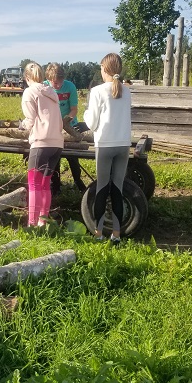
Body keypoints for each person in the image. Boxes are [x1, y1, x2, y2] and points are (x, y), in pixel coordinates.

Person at [83, 53, 131, 243]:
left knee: (102, 188)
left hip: (105, 144)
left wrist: (86, 113)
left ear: (105, 69)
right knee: (117, 189)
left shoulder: (97, 91)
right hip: (123, 144)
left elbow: (92, 123)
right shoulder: (127, 91)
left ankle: (98, 233)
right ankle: (117, 235)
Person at [20, 62, 64, 227]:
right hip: (57, 144)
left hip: (41, 143)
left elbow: (30, 120)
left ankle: (31, 223)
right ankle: (42, 221)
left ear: (26, 77)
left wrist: (22, 125)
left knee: (33, 184)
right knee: (45, 184)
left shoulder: (29, 92)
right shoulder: (51, 91)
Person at [44, 62, 87, 193]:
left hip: (69, 124)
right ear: (48, 80)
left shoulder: (70, 87)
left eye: (59, 82)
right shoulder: (44, 87)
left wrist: (66, 121)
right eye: (54, 82)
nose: (57, 85)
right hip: (52, 127)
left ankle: (78, 181)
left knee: (72, 157)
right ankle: (56, 185)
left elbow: (74, 109)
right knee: (54, 157)